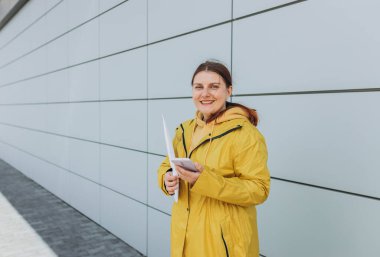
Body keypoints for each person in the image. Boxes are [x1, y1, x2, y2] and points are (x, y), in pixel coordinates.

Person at [157, 60, 270, 257]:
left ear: (229, 90)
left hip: (222, 243)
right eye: (198, 87)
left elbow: (259, 189)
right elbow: (168, 163)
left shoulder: (245, 134)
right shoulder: (184, 130)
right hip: (184, 236)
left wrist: (204, 180)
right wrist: (166, 178)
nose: (205, 93)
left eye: (214, 87)